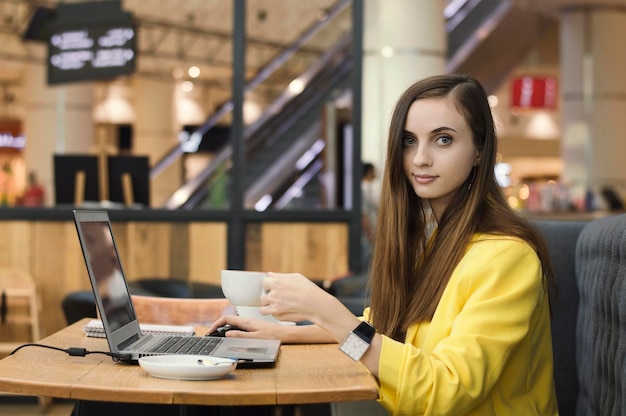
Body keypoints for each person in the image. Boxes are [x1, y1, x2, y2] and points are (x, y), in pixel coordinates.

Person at [208, 74, 559, 415]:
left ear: (480, 151)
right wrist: (282, 333)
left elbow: (445, 391)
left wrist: (326, 311)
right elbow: (389, 327)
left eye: (443, 140)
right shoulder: (440, 241)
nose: (420, 158)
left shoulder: (507, 256)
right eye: (409, 141)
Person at [361, 162, 378, 269]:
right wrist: (370, 234)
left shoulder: (370, 188)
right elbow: (364, 214)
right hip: (367, 234)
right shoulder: (363, 189)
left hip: (372, 230)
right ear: (369, 172)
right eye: (374, 170)